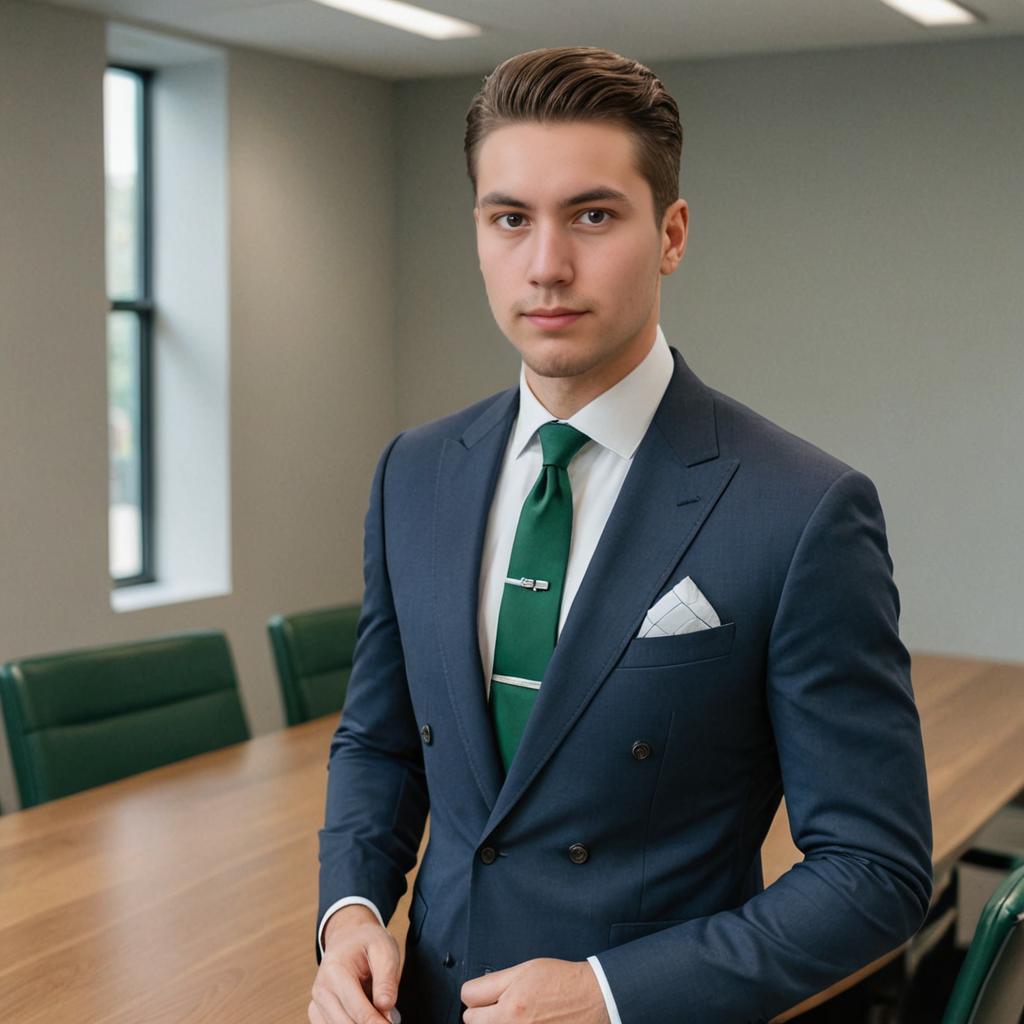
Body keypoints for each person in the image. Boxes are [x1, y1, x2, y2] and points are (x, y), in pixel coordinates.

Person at [309, 46, 932, 1024]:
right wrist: (349, 912)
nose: (545, 264)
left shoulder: (802, 508)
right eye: (510, 218)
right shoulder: (412, 472)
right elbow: (381, 744)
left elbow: (873, 872)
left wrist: (609, 994)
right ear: (478, 233)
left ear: (671, 233)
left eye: (592, 216)